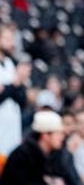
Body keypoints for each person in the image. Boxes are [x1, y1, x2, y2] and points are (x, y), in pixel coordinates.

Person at [0, 110, 67, 185]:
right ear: (45, 135)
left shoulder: (55, 154)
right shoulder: (22, 155)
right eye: (58, 133)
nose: (62, 137)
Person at [0, 24, 31, 157]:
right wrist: (15, 83)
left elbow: (22, 100)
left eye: (12, 39)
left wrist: (12, 86)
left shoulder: (10, 64)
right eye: (7, 39)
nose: (11, 43)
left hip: (12, 127)